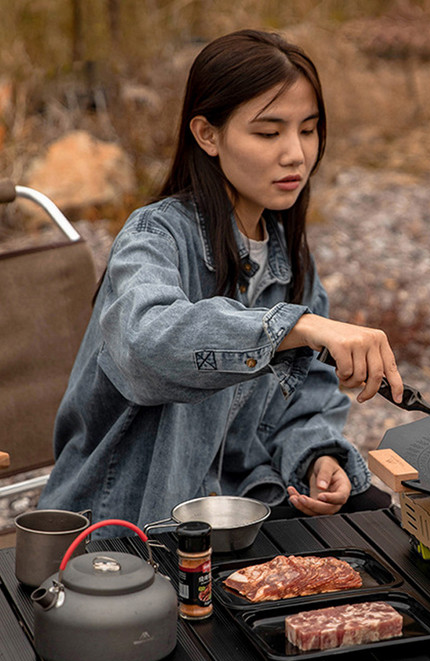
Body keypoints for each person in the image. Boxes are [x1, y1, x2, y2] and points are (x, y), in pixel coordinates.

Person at [37, 29, 404, 533]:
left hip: (235, 512)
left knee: (386, 527)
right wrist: (293, 328)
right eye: (268, 133)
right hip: (122, 527)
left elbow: (302, 401)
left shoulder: (288, 255)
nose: (296, 154)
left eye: (308, 129)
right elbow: (147, 347)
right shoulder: (154, 236)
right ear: (208, 134)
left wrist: (317, 458)